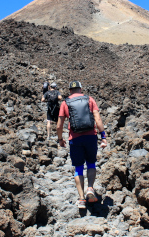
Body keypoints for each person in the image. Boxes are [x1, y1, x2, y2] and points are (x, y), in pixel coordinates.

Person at [57, 80, 108, 209]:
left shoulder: (65, 103)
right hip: (91, 137)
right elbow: (98, 119)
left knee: (78, 167)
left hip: (75, 139)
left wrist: (60, 140)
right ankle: (90, 188)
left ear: (69, 91)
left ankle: (81, 199)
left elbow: (59, 125)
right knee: (91, 163)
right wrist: (103, 137)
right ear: (81, 89)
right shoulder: (90, 100)